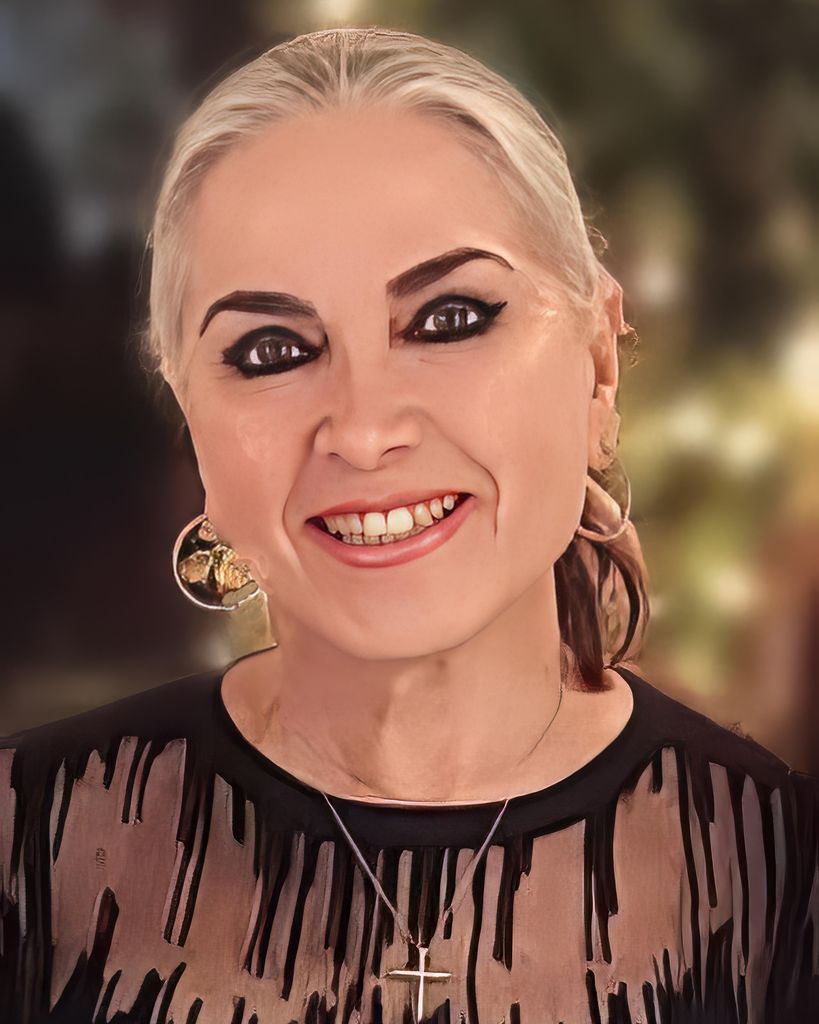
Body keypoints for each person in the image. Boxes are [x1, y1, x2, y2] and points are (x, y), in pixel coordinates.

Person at [1, 26, 816, 1024]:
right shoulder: (27, 848)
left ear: (598, 366)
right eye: (271, 350)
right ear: (192, 419)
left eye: (449, 320)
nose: (363, 428)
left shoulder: (782, 884)